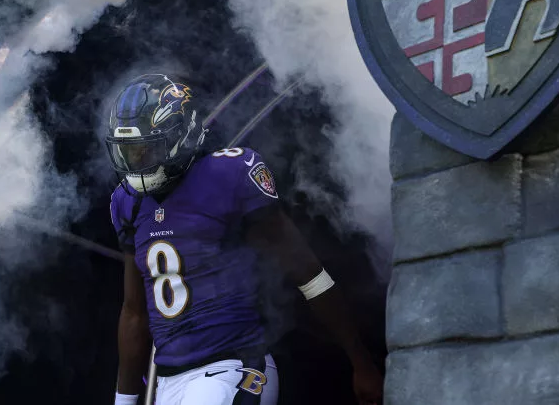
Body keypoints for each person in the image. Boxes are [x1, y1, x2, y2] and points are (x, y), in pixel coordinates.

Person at [107, 74, 383, 405]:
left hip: (233, 366)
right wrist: (124, 401)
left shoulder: (229, 174)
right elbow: (134, 311)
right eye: (129, 153)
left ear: (181, 134)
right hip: (169, 381)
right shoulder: (127, 202)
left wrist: (359, 360)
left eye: (145, 150)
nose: (136, 164)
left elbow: (308, 274)